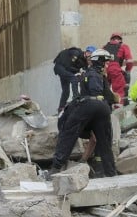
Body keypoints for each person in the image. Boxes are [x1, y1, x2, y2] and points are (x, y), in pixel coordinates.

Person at [50, 48, 118, 177]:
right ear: (101, 62)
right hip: (102, 108)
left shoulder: (89, 74)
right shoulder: (100, 76)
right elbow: (108, 97)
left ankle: (55, 168)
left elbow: (90, 93)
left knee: (69, 133)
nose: (108, 65)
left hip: (87, 105)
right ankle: (110, 173)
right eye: (107, 63)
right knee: (105, 141)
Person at [53, 46, 87, 112]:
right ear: (85, 52)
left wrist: (80, 74)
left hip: (65, 71)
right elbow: (68, 65)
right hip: (60, 67)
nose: (89, 56)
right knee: (74, 79)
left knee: (66, 91)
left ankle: (61, 108)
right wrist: (78, 72)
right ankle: (76, 98)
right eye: (88, 53)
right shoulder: (76, 53)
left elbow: (83, 71)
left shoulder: (84, 62)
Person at [102, 32, 133, 101]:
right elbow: (129, 61)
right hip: (115, 70)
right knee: (119, 92)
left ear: (111, 39)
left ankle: (105, 105)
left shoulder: (104, 47)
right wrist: (128, 70)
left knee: (104, 91)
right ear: (120, 40)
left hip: (105, 71)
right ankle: (119, 106)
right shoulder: (123, 46)